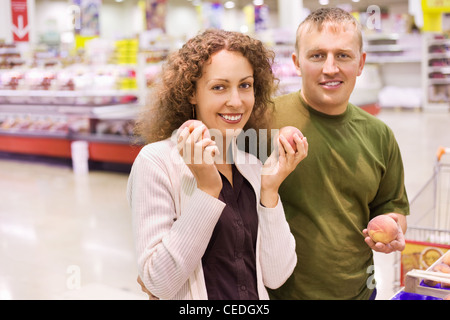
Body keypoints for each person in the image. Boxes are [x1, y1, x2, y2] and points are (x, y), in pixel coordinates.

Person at [127, 29, 308, 300]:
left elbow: (277, 275)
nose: (236, 101)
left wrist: (270, 192)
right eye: (219, 87)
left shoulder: (251, 166)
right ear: (191, 93)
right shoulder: (157, 162)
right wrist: (208, 190)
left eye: (245, 85)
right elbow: (158, 283)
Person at [267, 8, 409, 300]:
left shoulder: (379, 135)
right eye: (317, 55)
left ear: (360, 63)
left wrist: (392, 228)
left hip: (359, 291)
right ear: (297, 62)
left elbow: (391, 206)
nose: (330, 68)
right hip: (279, 294)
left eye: (343, 55)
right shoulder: (264, 121)